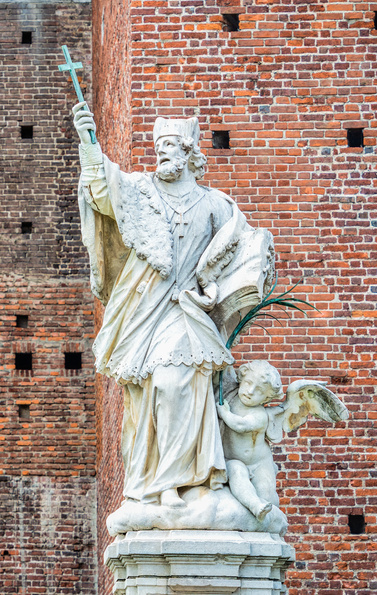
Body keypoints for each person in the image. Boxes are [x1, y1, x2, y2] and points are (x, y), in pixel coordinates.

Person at [74, 102, 256, 508]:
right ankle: (161, 481)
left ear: (191, 153)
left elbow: (242, 253)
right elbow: (104, 190)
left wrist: (221, 293)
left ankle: (184, 480)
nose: (163, 153)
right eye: (160, 147)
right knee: (153, 389)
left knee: (182, 383)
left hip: (188, 309)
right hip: (145, 307)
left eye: (172, 146)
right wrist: (89, 140)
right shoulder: (142, 191)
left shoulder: (216, 205)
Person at [215, 361, 282, 520]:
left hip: (260, 464)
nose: (250, 391)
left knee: (268, 496)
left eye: (258, 390)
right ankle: (255, 505)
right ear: (242, 379)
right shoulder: (230, 398)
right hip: (233, 460)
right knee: (237, 472)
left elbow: (240, 425)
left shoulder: (260, 415)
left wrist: (223, 413)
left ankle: (269, 514)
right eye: (248, 383)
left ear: (267, 397)